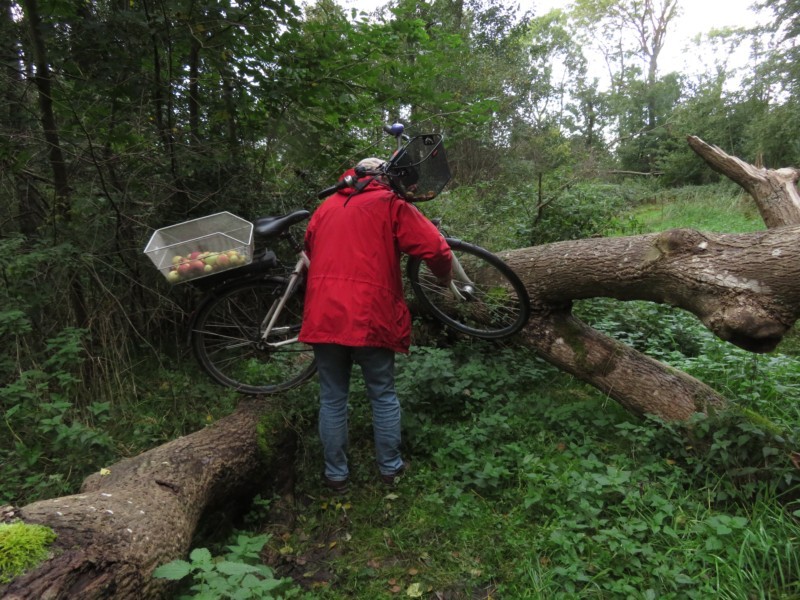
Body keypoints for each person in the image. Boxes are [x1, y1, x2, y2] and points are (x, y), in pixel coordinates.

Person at [298, 157, 452, 493]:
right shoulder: (390, 204)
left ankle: (335, 475)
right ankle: (390, 470)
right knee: (382, 394)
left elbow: (310, 247)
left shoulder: (325, 207)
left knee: (332, 397)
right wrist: (444, 278)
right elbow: (436, 248)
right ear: (385, 176)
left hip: (325, 314)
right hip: (370, 314)